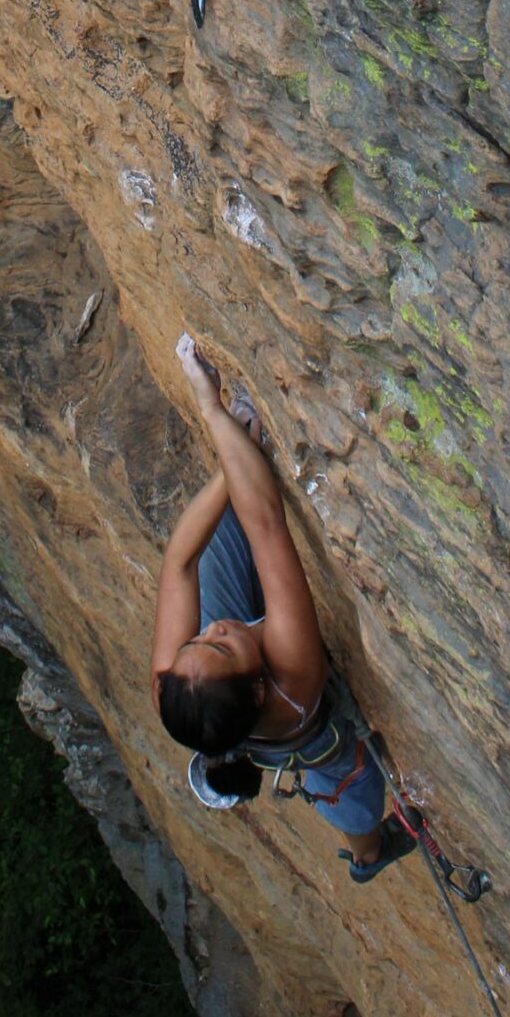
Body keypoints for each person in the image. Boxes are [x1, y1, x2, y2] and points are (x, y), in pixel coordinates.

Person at [150, 332, 416, 882]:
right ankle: (369, 854)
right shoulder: (293, 673)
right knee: (343, 781)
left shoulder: (175, 683)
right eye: (218, 643)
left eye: (196, 640)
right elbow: (267, 525)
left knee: (214, 536)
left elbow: (178, 563)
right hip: (303, 730)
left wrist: (232, 461)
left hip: (234, 706)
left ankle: (238, 462)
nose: (213, 628)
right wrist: (212, 409)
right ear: (255, 685)